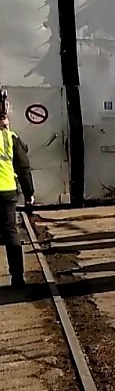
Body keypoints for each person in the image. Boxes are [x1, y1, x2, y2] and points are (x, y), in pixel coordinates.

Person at [0, 115, 34, 288]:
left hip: (6, 190)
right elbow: (23, 167)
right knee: (11, 232)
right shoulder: (10, 137)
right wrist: (29, 193)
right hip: (6, 191)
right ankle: (18, 278)